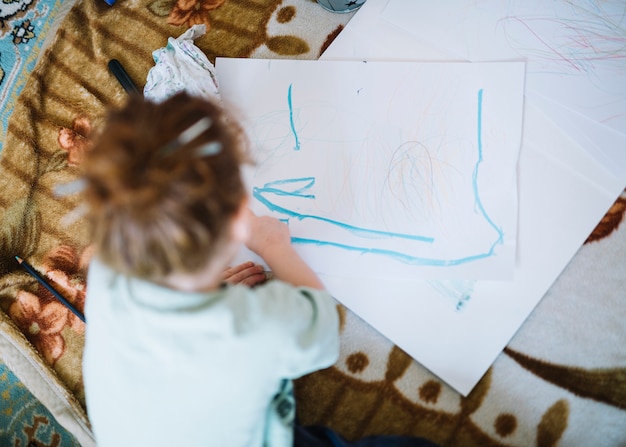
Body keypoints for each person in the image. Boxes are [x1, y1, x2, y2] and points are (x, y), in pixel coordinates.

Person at [82, 92, 438, 447]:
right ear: (238, 221)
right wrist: (274, 248)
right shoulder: (254, 328)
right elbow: (323, 326)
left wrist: (205, 290)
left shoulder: (104, 271)